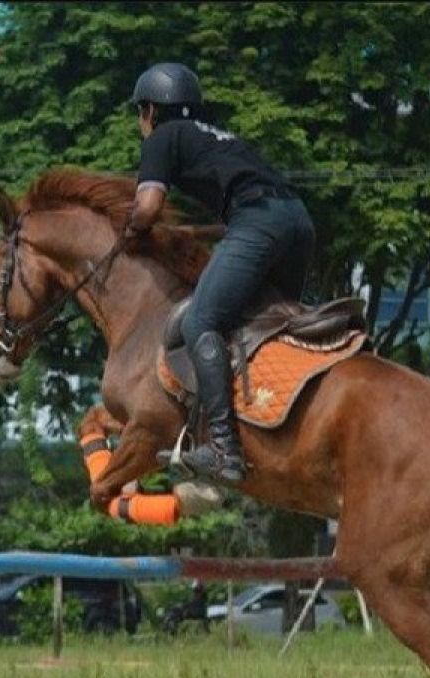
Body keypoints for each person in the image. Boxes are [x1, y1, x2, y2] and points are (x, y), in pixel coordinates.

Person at [124, 62, 316, 484]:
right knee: (268, 323)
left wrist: (131, 227)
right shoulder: (220, 137)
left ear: (151, 110)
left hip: (259, 224)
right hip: (297, 223)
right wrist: (187, 232)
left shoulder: (162, 137)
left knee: (202, 321)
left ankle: (224, 450)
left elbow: (148, 207)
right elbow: (244, 214)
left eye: (140, 112)